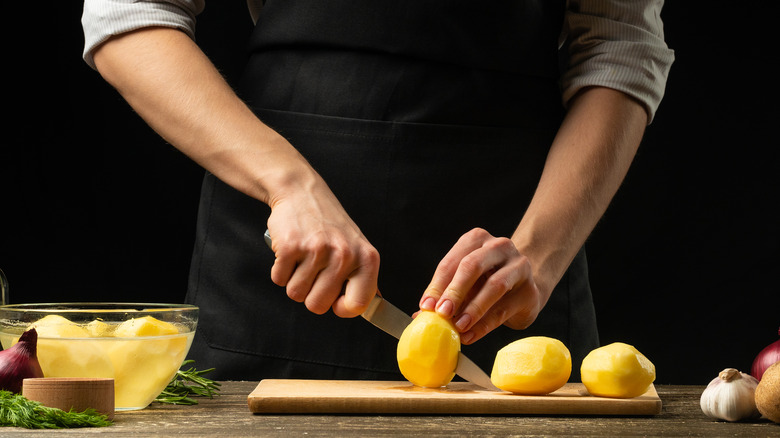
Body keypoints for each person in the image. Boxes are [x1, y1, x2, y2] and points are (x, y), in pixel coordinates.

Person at [81, 1, 674, 381]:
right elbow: (128, 13)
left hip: (515, 252)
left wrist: (541, 253)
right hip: (281, 253)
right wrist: (288, 185)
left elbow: (619, 46)